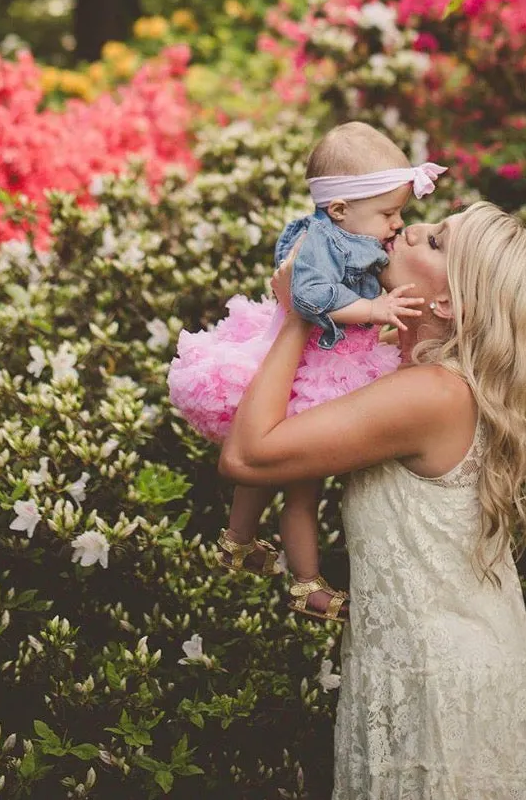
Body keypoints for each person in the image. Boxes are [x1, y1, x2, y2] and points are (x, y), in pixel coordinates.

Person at [219, 202, 526, 798]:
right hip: (431, 671)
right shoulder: (422, 375)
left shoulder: (431, 394)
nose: (413, 228)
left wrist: (297, 313)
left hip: (442, 693)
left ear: (445, 303)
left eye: (437, 242)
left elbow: (248, 455)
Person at [168, 122, 446, 621]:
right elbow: (310, 295)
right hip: (309, 366)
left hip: (324, 360)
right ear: (339, 209)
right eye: (389, 213)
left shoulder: (348, 234)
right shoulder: (323, 240)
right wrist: (375, 311)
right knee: (296, 481)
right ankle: (296, 577)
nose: (398, 225)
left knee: (295, 481)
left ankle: (253, 550)